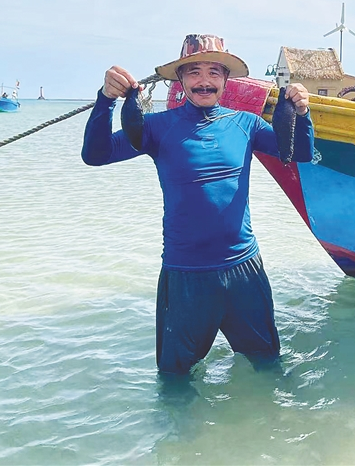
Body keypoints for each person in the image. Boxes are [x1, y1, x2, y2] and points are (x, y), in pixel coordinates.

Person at [81, 34, 314, 374]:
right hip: (186, 276)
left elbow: (300, 153)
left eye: (213, 72)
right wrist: (105, 101)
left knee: (267, 365)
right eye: (193, 72)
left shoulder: (246, 125)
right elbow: (95, 155)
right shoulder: (155, 127)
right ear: (180, 80)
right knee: (174, 377)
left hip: (245, 272)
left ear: (225, 79)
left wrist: (302, 112)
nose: (204, 81)